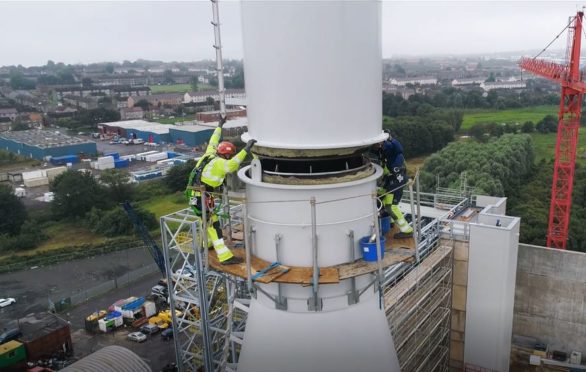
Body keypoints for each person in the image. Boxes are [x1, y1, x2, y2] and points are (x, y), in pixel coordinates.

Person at [186, 117, 256, 265]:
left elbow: (213, 139)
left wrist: (219, 125)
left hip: (196, 195)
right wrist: (247, 149)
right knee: (213, 225)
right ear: (227, 155)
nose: (229, 157)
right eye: (229, 155)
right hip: (202, 197)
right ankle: (224, 256)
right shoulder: (220, 163)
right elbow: (232, 165)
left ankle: (206, 244)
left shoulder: (209, 154)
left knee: (205, 222)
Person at [378, 131, 413, 239]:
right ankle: (391, 221)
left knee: (391, 207)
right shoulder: (385, 150)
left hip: (396, 182)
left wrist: (390, 139)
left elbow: (399, 149)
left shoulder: (391, 149)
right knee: (382, 199)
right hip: (392, 181)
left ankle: (407, 230)